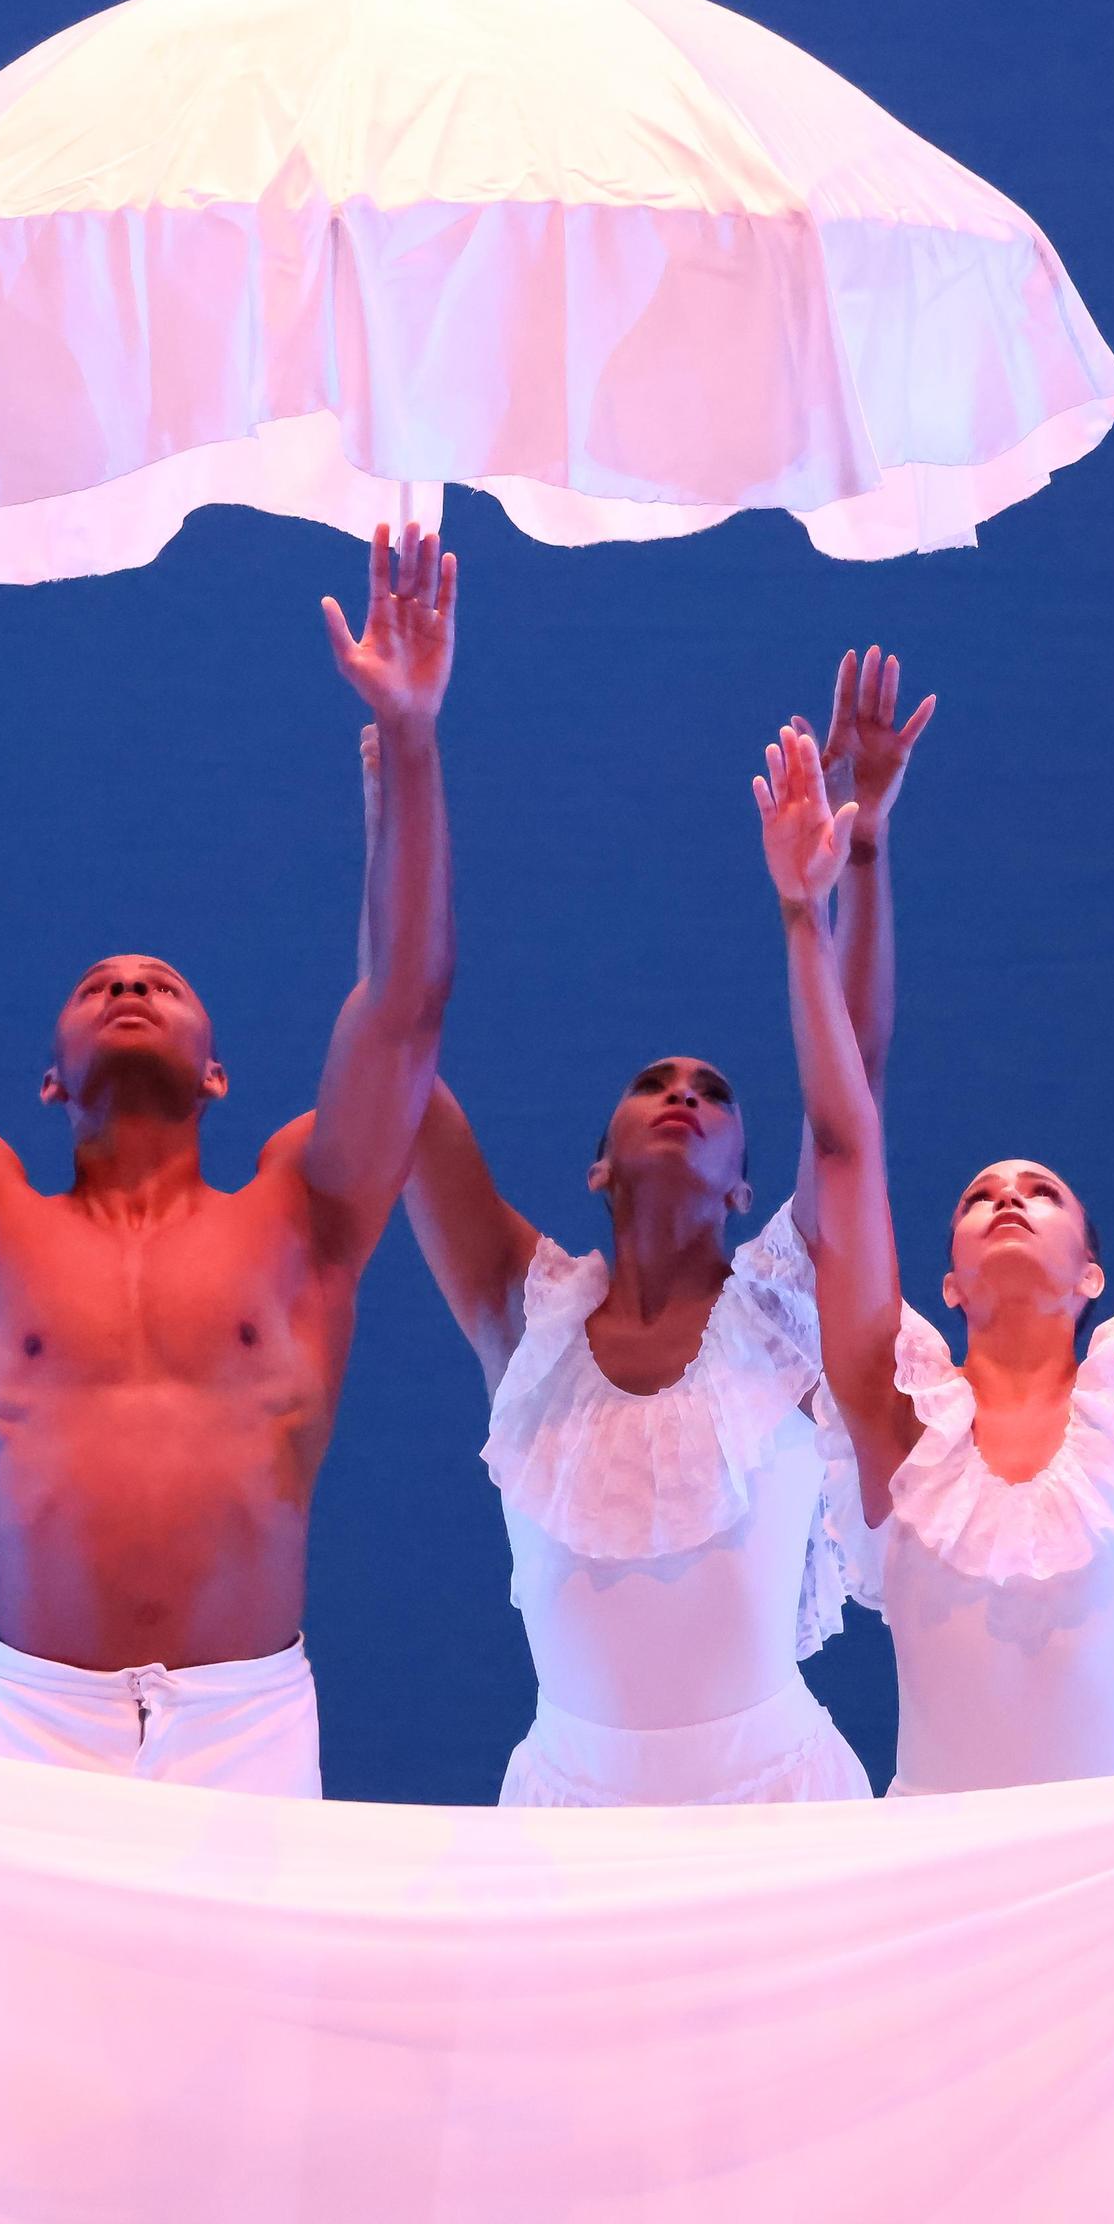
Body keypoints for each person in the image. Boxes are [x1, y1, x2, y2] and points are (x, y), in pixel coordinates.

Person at [0, 517, 455, 1797]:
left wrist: (411, 740)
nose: (130, 981)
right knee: (24, 2014)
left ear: (222, 1072)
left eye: (164, 982)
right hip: (40, 1722)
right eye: (101, 983)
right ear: (50, 1078)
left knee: (252, 2011)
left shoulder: (305, 1212)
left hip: (247, 1720)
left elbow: (403, 1009)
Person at [397, 650, 930, 1806]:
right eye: (655, 1082)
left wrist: (852, 861)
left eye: (715, 1092)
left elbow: (855, 1105)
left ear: (746, 1183)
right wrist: (402, 761)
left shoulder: (789, 1309)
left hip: (777, 1814)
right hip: (566, 1824)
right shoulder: (516, 1308)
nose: (685, 1093)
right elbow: (398, 1052)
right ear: (600, 1162)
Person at [771, 717, 1114, 1794]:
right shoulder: (893, 1412)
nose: (1008, 1198)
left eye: (1042, 1193)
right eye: (980, 1195)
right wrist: (801, 914)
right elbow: (841, 1140)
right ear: (947, 1280)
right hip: (931, 1895)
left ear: (1094, 1276)